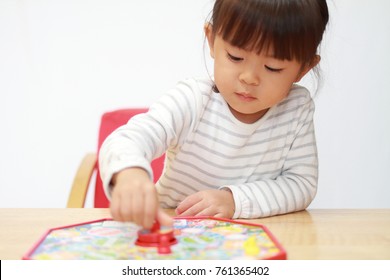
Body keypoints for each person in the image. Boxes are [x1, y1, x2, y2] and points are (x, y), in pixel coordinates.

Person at [99, 0, 329, 229]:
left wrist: (234, 200)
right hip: (168, 230)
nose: (249, 78)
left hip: (246, 242)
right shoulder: (193, 99)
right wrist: (129, 173)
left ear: (303, 68)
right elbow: (127, 139)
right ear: (211, 39)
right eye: (236, 57)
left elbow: (301, 184)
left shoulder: (296, 109)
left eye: (273, 67)